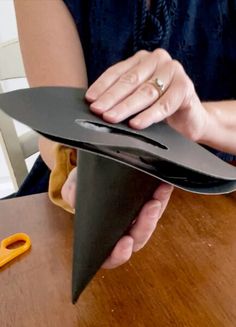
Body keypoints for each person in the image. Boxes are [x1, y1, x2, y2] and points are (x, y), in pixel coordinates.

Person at [13, 0, 236, 268]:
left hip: (218, 208)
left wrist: (202, 121)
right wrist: (86, 176)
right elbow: (57, 123)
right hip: (86, 194)